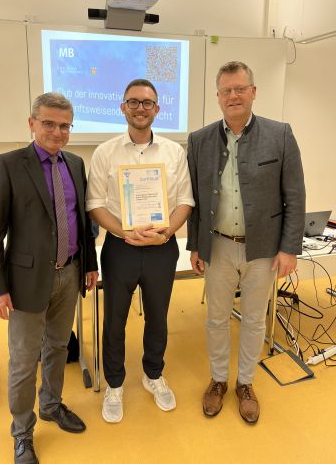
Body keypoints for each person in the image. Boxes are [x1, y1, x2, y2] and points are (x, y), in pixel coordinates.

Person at [0, 92, 98, 463]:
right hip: (25, 283)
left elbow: (83, 223)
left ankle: (50, 404)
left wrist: (90, 264)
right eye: (49, 123)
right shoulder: (8, 165)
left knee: (59, 347)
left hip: (70, 274)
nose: (57, 132)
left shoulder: (75, 164)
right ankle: (22, 431)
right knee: (23, 359)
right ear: (32, 123)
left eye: (65, 126)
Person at [187, 61, 305, 424]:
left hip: (264, 248)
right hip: (218, 245)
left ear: (253, 92)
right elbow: (194, 200)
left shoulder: (279, 134)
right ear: (218, 96)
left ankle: (245, 383)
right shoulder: (199, 140)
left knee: (254, 319)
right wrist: (195, 245)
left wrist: (289, 248)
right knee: (216, 318)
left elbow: (295, 196)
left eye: (240, 89)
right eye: (226, 90)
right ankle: (219, 379)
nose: (233, 96)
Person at [86, 78, 194, 423]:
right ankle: (114, 383)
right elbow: (94, 203)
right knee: (114, 318)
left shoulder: (174, 152)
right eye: (133, 102)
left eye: (147, 103)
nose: (140, 108)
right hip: (120, 247)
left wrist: (167, 233)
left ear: (157, 109)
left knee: (158, 317)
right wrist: (122, 231)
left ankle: (153, 374)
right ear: (123, 107)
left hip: (162, 247)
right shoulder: (105, 152)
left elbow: (185, 201)